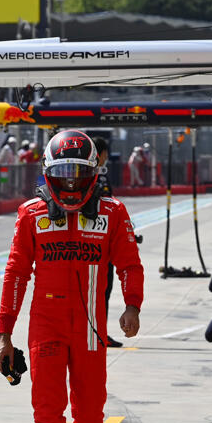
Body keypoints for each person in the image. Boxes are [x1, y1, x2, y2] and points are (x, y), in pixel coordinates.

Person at [0, 129, 144, 423]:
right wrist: (4, 335)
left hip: (92, 330)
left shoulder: (113, 213)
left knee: (91, 416)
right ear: (48, 171)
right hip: (45, 328)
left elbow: (130, 263)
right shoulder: (31, 213)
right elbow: (15, 275)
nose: (72, 181)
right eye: (63, 172)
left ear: (94, 171)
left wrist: (132, 306)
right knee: (47, 415)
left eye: (79, 172)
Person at [93, 136, 124, 348]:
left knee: (103, 289)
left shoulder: (98, 175)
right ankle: (98, 332)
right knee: (102, 289)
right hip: (99, 240)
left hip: (102, 237)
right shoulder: (95, 175)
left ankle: (98, 331)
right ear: (102, 154)